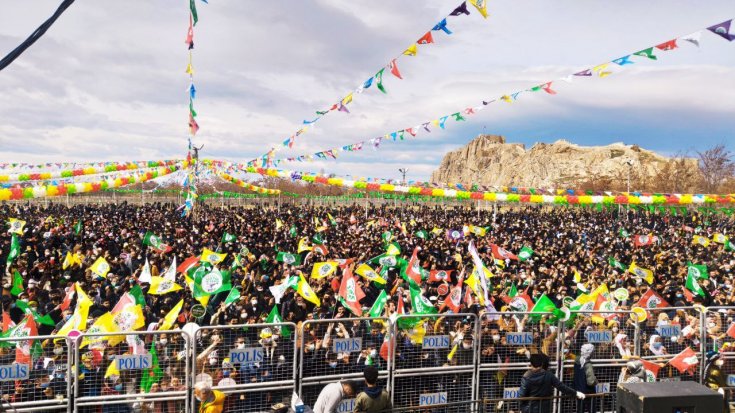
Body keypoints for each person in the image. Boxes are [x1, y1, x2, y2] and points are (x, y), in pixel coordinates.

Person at [518, 353, 584, 413]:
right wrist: (576, 393)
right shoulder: (549, 375)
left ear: (531, 364)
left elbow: (521, 395)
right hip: (545, 409)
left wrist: (518, 408)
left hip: (529, 409)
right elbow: (562, 387)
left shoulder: (527, 376)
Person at [573, 343, 597, 413]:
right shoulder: (588, 364)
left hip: (578, 389)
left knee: (580, 409)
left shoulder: (576, 362)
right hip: (588, 392)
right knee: (591, 409)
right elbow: (591, 381)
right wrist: (596, 381)